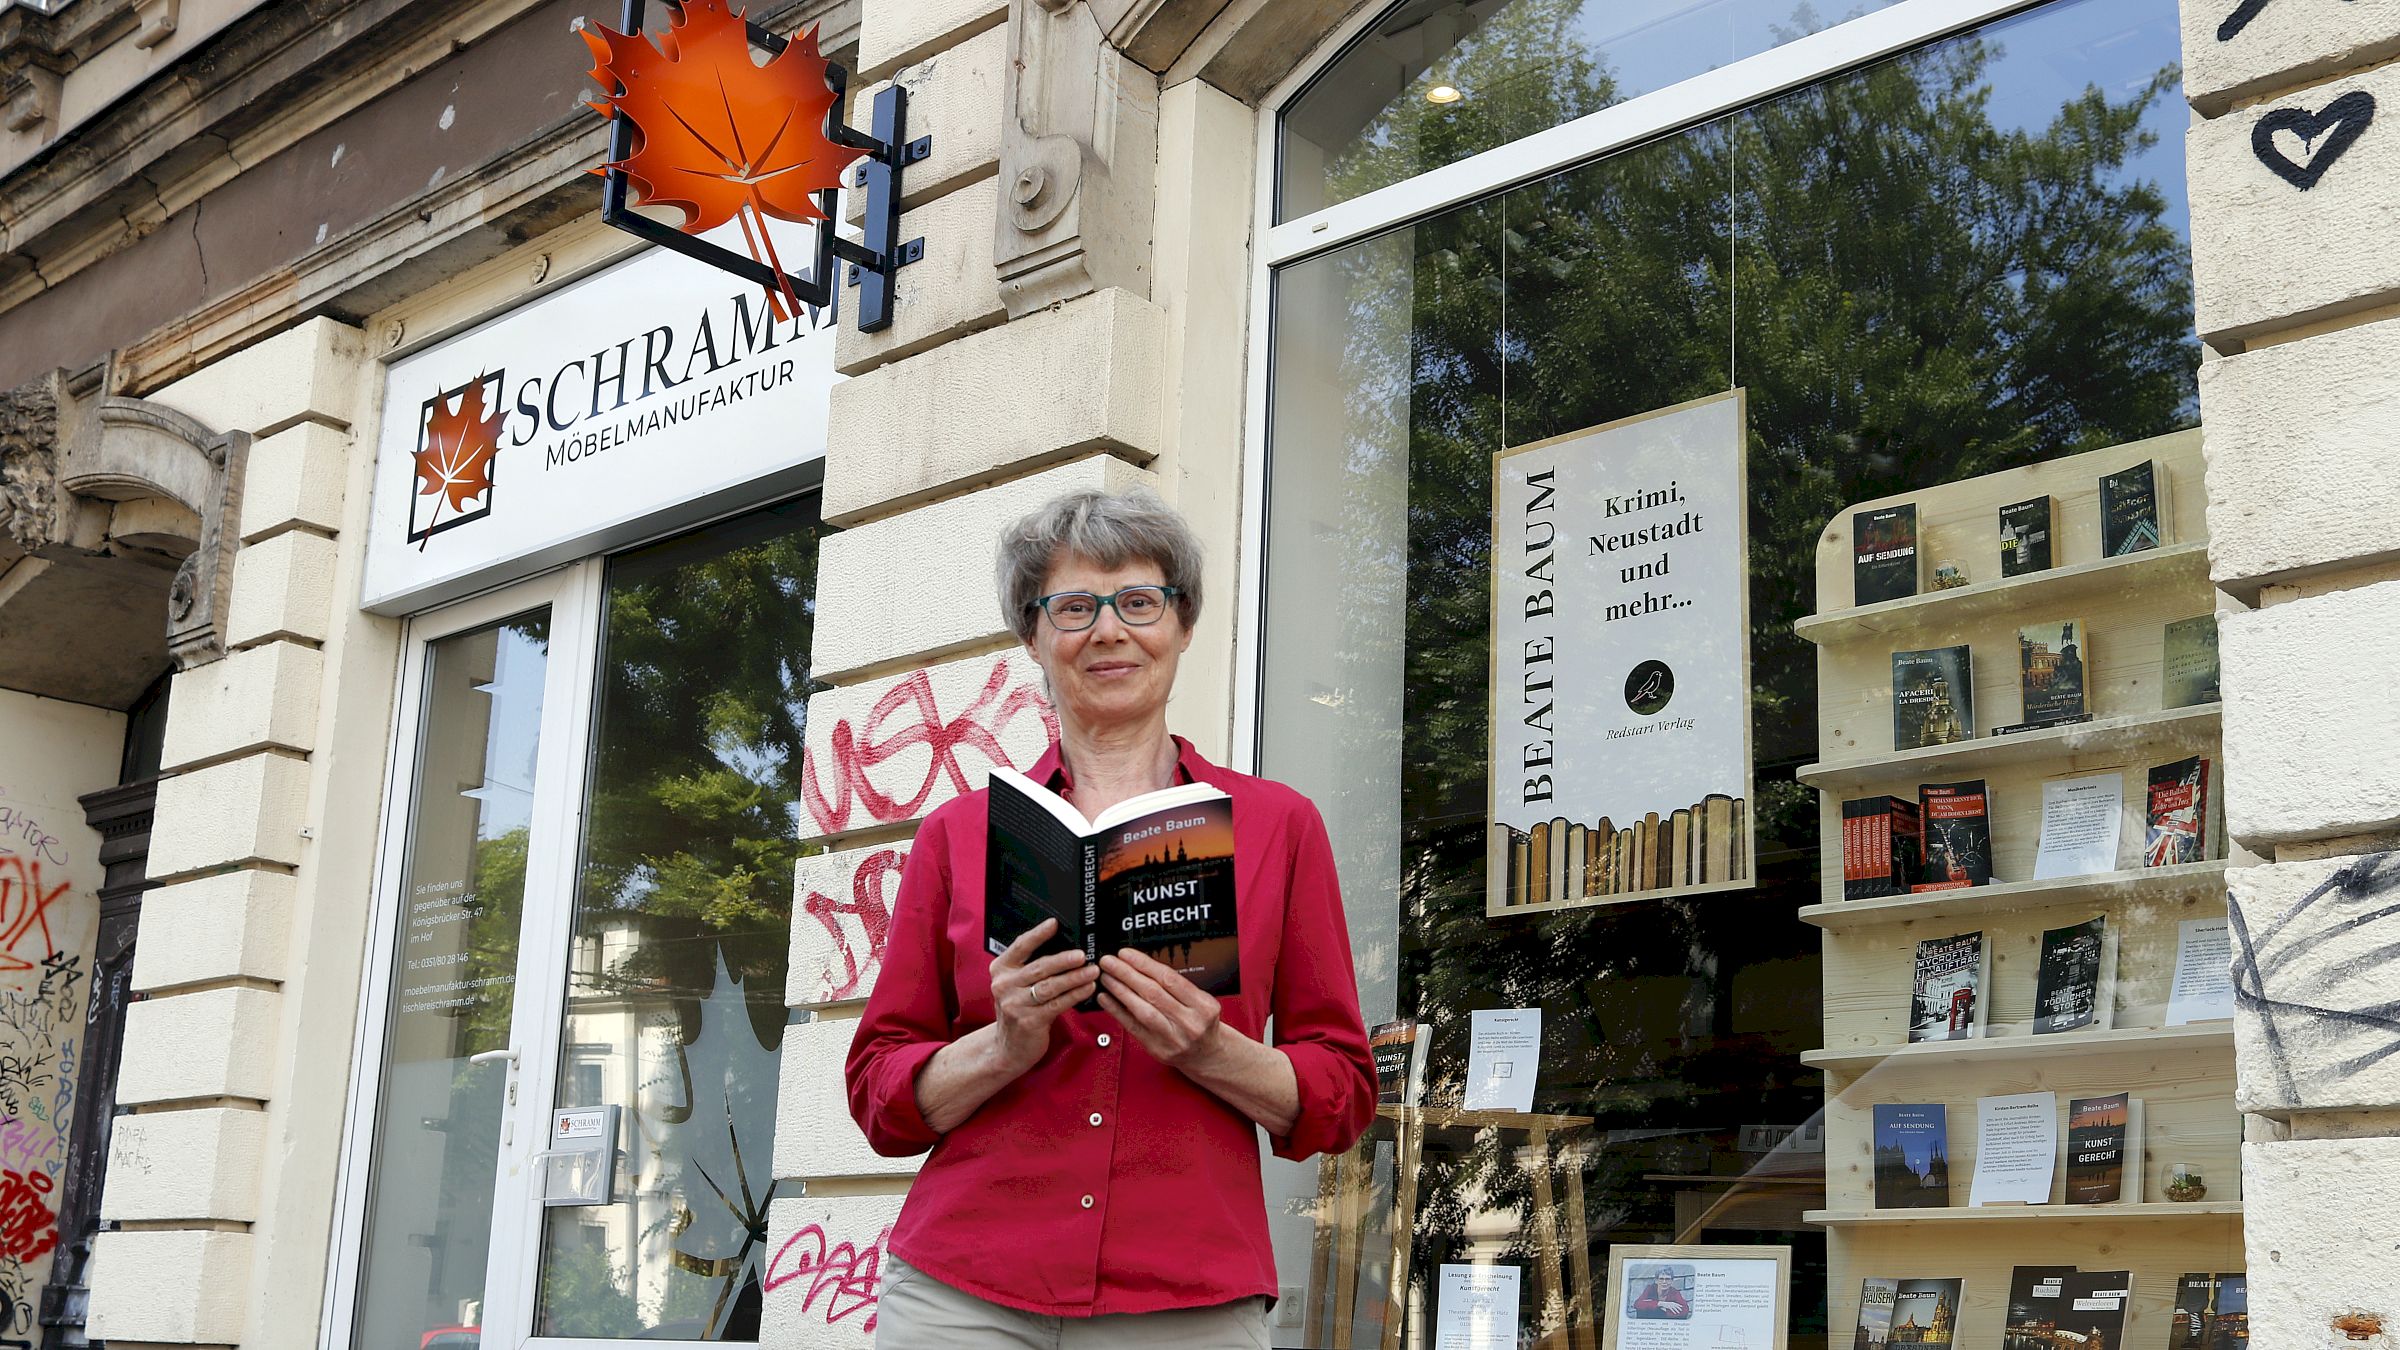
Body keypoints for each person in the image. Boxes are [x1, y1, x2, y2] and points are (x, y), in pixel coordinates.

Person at [846, 488, 1378, 1347]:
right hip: (964, 1284)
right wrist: (1002, 1044)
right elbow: (879, 1095)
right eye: (1073, 608)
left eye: (1139, 602)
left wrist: (1213, 1050)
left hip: (1187, 1291)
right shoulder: (958, 834)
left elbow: (1343, 1092)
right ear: (1033, 636)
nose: (1108, 631)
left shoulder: (1278, 826)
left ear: (1183, 623)